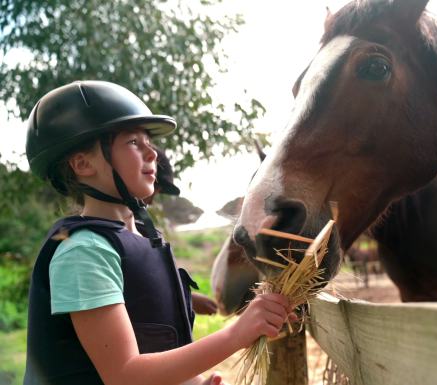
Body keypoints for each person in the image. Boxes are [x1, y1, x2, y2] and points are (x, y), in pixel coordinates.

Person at [23, 80, 291, 385]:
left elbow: (157, 341)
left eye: (149, 141)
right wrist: (235, 334)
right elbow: (125, 374)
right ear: (83, 164)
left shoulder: (143, 240)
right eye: (134, 142)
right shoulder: (83, 252)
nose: (152, 153)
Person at [146, 145, 218, 316]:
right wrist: (186, 300)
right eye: (156, 183)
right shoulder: (93, 245)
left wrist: (187, 298)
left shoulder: (139, 230)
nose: (157, 191)